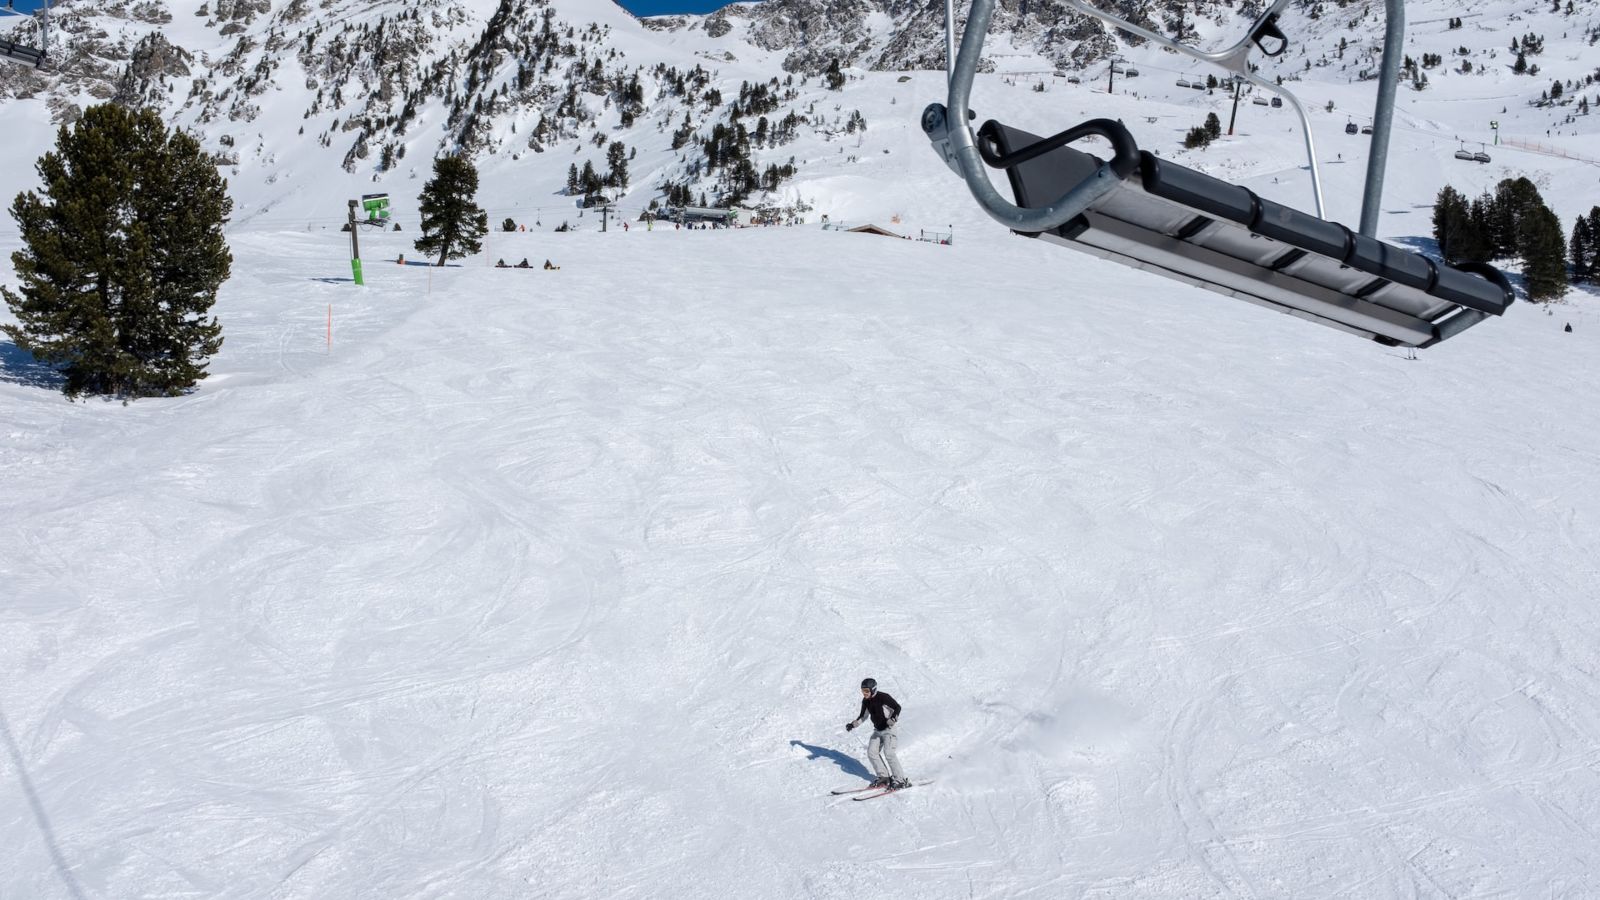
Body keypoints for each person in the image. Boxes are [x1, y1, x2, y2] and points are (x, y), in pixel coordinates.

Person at [845, 678, 908, 789]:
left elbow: (897, 707)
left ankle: (900, 779)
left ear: (873, 690)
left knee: (889, 753)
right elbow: (863, 716)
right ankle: (884, 777)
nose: (864, 693)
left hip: (889, 730)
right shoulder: (866, 701)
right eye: (863, 691)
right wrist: (853, 724)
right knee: (871, 752)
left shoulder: (884, 697)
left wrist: (893, 719)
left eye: (866, 691)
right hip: (878, 731)